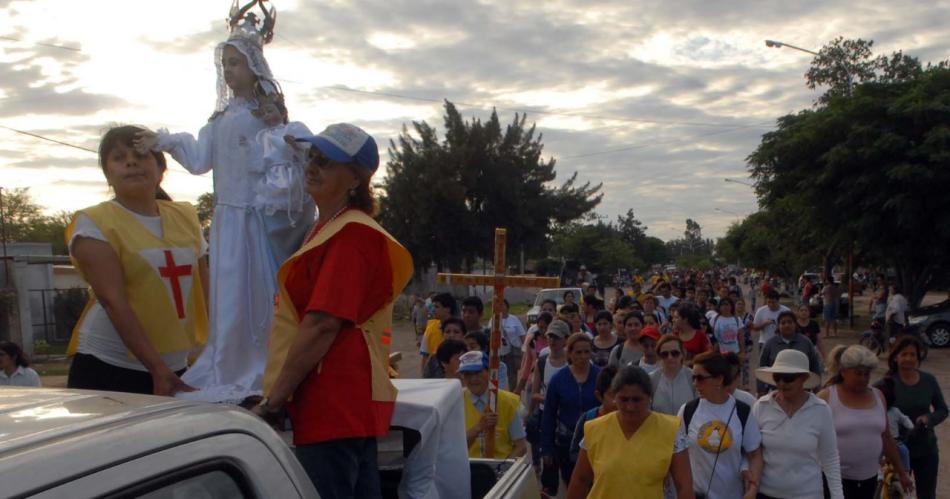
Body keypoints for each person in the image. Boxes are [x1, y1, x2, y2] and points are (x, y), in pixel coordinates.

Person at [135, 8, 313, 402]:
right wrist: (165, 142)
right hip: (227, 220)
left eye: (236, 62)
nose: (229, 70)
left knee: (259, 292)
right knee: (230, 295)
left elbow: (283, 155)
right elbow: (200, 161)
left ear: (254, 66)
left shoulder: (266, 117)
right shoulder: (217, 121)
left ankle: (264, 363)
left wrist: (280, 138)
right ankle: (229, 364)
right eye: (225, 63)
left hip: (255, 221)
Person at [256, 123, 413, 499]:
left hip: (335, 401)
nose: (312, 166)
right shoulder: (328, 229)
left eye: (326, 162)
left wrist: (273, 402)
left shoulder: (351, 236)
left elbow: (322, 324)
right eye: (312, 157)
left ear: (355, 179)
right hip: (338, 401)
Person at [67, 126, 208, 396]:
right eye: (119, 158)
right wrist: (157, 369)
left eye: (141, 155)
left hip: (176, 365)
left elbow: (205, 288)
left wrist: (213, 352)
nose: (131, 162)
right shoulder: (94, 221)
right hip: (110, 364)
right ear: (108, 174)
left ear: (160, 169)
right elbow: (113, 301)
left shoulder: (186, 215)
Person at [568, 366, 693, 499]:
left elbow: (684, 486)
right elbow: (580, 480)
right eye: (624, 399)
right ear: (615, 397)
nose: (630, 407)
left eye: (636, 399)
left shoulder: (670, 430)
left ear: (649, 397)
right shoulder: (595, 429)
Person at [818, 345, 913, 498]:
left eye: (867, 374)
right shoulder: (826, 397)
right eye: (858, 373)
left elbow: (886, 437)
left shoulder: (879, 396)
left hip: (869, 480)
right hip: (834, 481)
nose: (863, 379)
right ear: (843, 371)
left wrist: (901, 473)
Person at [753, 349, 844, 499]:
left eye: (788, 378)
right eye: (777, 377)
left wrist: (837, 496)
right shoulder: (761, 406)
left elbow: (830, 458)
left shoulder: (821, 410)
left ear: (804, 378)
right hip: (766, 494)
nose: (781, 383)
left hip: (808, 495)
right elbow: (752, 453)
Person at [681, 351, 762, 499]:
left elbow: (755, 454)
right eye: (693, 378)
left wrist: (753, 489)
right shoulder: (687, 410)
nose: (695, 384)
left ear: (719, 379)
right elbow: (678, 453)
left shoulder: (742, 411)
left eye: (700, 378)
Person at [887, 335, 947, 499]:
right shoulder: (886, 384)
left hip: (926, 449)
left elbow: (942, 410)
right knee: (896, 495)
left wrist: (929, 419)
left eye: (913, 354)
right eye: (904, 354)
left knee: (927, 495)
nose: (909, 358)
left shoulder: (929, 380)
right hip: (897, 451)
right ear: (895, 357)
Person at [541, 332, 600, 494]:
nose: (583, 356)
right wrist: (546, 448)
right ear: (570, 353)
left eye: (586, 352)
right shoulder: (558, 379)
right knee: (573, 484)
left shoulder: (600, 376)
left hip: (596, 440)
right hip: (566, 443)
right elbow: (549, 415)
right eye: (578, 352)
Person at [459, 351, 528, 459]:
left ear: (489, 372)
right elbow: (454, 448)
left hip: (501, 466)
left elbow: (521, 446)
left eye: (477, 373)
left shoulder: (508, 402)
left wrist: (502, 467)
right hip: (468, 466)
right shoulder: (456, 402)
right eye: (467, 374)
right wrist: (478, 428)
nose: (473, 379)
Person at [526, 319, 570, 470]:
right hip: (547, 415)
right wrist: (548, 401)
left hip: (567, 417)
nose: (552, 340)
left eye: (556, 337)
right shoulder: (542, 362)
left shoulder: (572, 361)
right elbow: (534, 393)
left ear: (566, 339)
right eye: (550, 336)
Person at [758, 311, 822, 395]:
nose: (786, 325)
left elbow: (815, 366)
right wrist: (761, 391)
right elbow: (762, 367)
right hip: (777, 391)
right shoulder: (770, 344)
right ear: (778, 326)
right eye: (783, 323)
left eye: (790, 322)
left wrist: (818, 390)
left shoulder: (806, 342)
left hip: (802, 391)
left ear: (795, 324)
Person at [570, 365, 619, 463]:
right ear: (599, 396)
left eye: (620, 395)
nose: (616, 401)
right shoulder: (588, 419)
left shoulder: (629, 419)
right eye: (611, 395)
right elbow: (574, 453)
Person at [650, 335, 697, 416]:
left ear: (683, 354)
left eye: (675, 353)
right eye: (665, 354)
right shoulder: (652, 379)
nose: (670, 357)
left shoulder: (693, 377)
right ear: (659, 356)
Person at [877, 376, 913, 474]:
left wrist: (910, 426)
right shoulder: (876, 411)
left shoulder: (895, 411)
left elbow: (904, 419)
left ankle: (905, 471)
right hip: (880, 441)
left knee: (904, 451)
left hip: (894, 441)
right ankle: (878, 472)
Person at [515, 311, 552, 396]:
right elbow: (527, 364)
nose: (544, 331)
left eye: (546, 328)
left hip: (549, 381)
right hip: (533, 380)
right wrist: (519, 387)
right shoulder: (532, 340)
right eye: (541, 327)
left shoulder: (555, 340)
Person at [491, 299, 527, 383]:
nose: (501, 307)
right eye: (498, 305)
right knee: (496, 375)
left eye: (502, 305)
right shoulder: (493, 319)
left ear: (507, 307)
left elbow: (522, 335)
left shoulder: (514, 319)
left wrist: (524, 350)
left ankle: (513, 390)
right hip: (497, 352)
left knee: (512, 374)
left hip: (512, 352)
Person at [420, 292, 456, 371]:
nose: (433, 310)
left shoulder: (459, 328)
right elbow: (425, 355)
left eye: (437, 307)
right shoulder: (430, 327)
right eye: (433, 306)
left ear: (447, 309)